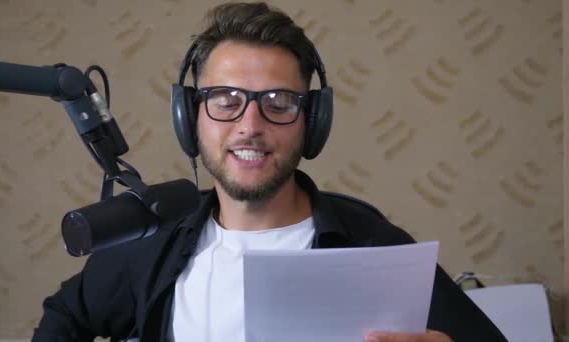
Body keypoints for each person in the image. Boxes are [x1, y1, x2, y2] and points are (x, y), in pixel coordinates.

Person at [33, 2, 507, 341]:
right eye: (226, 100)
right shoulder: (155, 241)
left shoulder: (373, 246)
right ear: (189, 117)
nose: (250, 125)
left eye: (279, 103)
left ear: (313, 121)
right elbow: (64, 316)